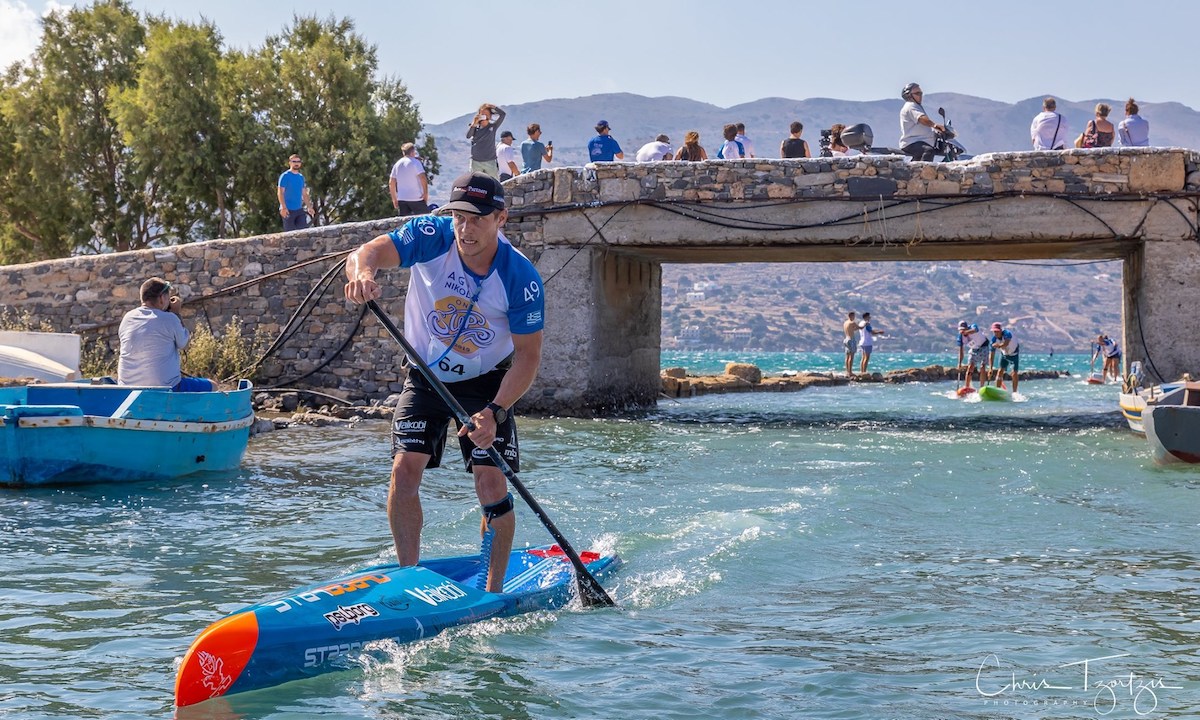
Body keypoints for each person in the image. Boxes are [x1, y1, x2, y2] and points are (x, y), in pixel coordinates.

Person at [342, 172, 544, 594]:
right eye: (458, 218)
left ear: (501, 218)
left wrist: (496, 411)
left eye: (477, 219)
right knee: (404, 469)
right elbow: (367, 253)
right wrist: (362, 273)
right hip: (425, 375)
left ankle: (493, 594)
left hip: (488, 385)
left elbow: (528, 357)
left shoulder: (519, 276)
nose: (465, 229)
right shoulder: (431, 234)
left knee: (490, 482)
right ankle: (409, 578)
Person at [117, 277, 216, 392]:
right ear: (161, 298)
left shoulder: (127, 318)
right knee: (213, 385)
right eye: (167, 296)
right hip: (166, 388)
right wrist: (176, 313)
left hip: (127, 389)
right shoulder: (170, 318)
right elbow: (184, 345)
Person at [898, 83, 944, 162]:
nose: (920, 96)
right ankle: (923, 173)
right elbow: (921, 119)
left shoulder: (916, 106)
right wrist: (935, 125)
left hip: (920, 141)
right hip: (912, 142)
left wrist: (936, 132)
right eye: (917, 93)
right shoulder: (911, 106)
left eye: (921, 93)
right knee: (928, 151)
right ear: (909, 95)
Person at [466, 102, 506, 178]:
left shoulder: (493, 127)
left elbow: (503, 114)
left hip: (490, 161)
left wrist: (492, 107)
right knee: (476, 183)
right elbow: (468, 136)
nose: (484, 117)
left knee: (494, 183)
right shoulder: (475, 127)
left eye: (486, 115)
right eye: (482, 114)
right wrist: (474, 123)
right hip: (476, 161)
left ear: (490, 116)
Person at [388, 143, 429, 216]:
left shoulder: (397, 164)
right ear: (413, 152)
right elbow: (423, 178)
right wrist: (425, 193)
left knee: (404, 223)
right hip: (416, 198)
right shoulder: (415, 162)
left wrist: (394, 199)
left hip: (402, 198)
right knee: (424, 219)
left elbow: (391, 182)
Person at [277, 154, 313, 230]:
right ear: (290, 163)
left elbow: (304, 193)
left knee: (303, 233)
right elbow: (280, 193)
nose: (296, 163)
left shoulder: (301, 177)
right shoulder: (285, 176)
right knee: (290, 235)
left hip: (299, 209)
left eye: (298, 161)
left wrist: (309, 207)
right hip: (287, 210)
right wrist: (283, 207)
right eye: (294, 161)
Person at [988, 322, 1021, 392]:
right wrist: (990, 368)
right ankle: (997, 390)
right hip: (1004, 355)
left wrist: (998, 346)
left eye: (997, 331)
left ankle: (1014, 392)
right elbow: (991, 354)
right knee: (1000, 371)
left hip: (1014, 354)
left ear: (1000, 330)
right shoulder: (993, 340)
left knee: (1014, 373)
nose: (996, 333)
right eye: (994, 331)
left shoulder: (1007, 333)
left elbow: (1006, 344)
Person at [959, 323, 991, 392]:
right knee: (970, 367)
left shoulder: (973, 326)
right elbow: (961, 351)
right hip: (974, 349)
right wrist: (959, 363)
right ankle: (966, 387)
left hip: (983, 346)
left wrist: (966, 332)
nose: (962, 332)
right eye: (961, 330)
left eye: (964, 330)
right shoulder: (960, 337)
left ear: (967, 328)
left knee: (982, 366)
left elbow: (975, 330)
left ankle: (981, 387)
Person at [842, 311, 858, 376]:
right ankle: (850, 372)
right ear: (851, 316)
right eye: (854, 316)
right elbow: (859, 327)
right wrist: (865, 324)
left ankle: (847, 371)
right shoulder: (852, 322)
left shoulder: (845, 323)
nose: (854, 317)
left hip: (846, 339)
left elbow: (851, 329)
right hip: (851, 339)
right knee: (852, 356)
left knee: (847, 356)